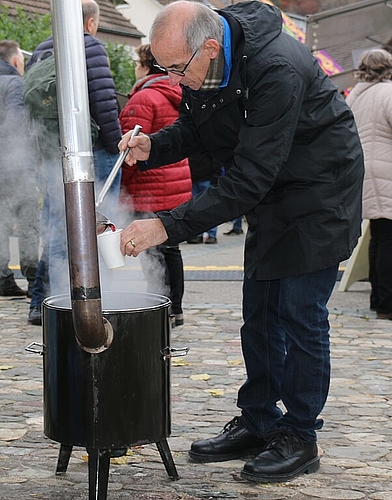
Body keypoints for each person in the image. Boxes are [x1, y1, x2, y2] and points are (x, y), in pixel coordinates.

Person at [118, 0, 364, 484]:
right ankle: (258, 420)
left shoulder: (277, 67)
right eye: (164, 68)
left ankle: (298, 433)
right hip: (275, 194)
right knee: (260, 313)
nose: (171, 80)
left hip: (320, 194)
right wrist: (155, 146)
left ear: (210, 47)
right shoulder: (205, 64)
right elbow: (198, 128)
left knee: (299, 316)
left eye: (176, 69)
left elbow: (249, 177)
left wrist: (166, 225)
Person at [27, 0, 122, 325]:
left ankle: (45, 302)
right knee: (99, 222)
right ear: (91, 22)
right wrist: (116, 146)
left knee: (56, 227)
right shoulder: (90, 45)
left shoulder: (40, 50)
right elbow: (104, 101)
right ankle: (98, 296)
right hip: (90, 152)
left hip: (54, 154)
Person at [119, 43, 192, 327]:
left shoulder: (144, 98)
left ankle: (158, 306)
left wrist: (121, 192)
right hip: (177, 185)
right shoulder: (180, 93)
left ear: (145, 66)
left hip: (149, 188)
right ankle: (175, 308)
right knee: (171, 249)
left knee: (151, 251)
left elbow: (128, 155)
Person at [346, 49, 392, 320]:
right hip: (386, 169)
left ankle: (379, 298)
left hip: (363, 168)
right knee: (387, 237)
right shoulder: (388, 93)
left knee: (378, 234)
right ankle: (386, 303)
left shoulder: (355, 95)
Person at [0, 40, 39, 298]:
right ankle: (34, 277)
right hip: (13, 163)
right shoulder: (14, 83)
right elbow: (16, 123)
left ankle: (3, 279)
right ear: (15, 61)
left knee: (2, 221)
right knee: (28, 220)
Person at [187, 151, 221, 244]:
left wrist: (216, 177)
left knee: (210, 207)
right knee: (195, 208)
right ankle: (198, 234)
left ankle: (212, 234)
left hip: (207, 178)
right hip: (194, 179)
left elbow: (216, 159)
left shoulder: (208, 141)